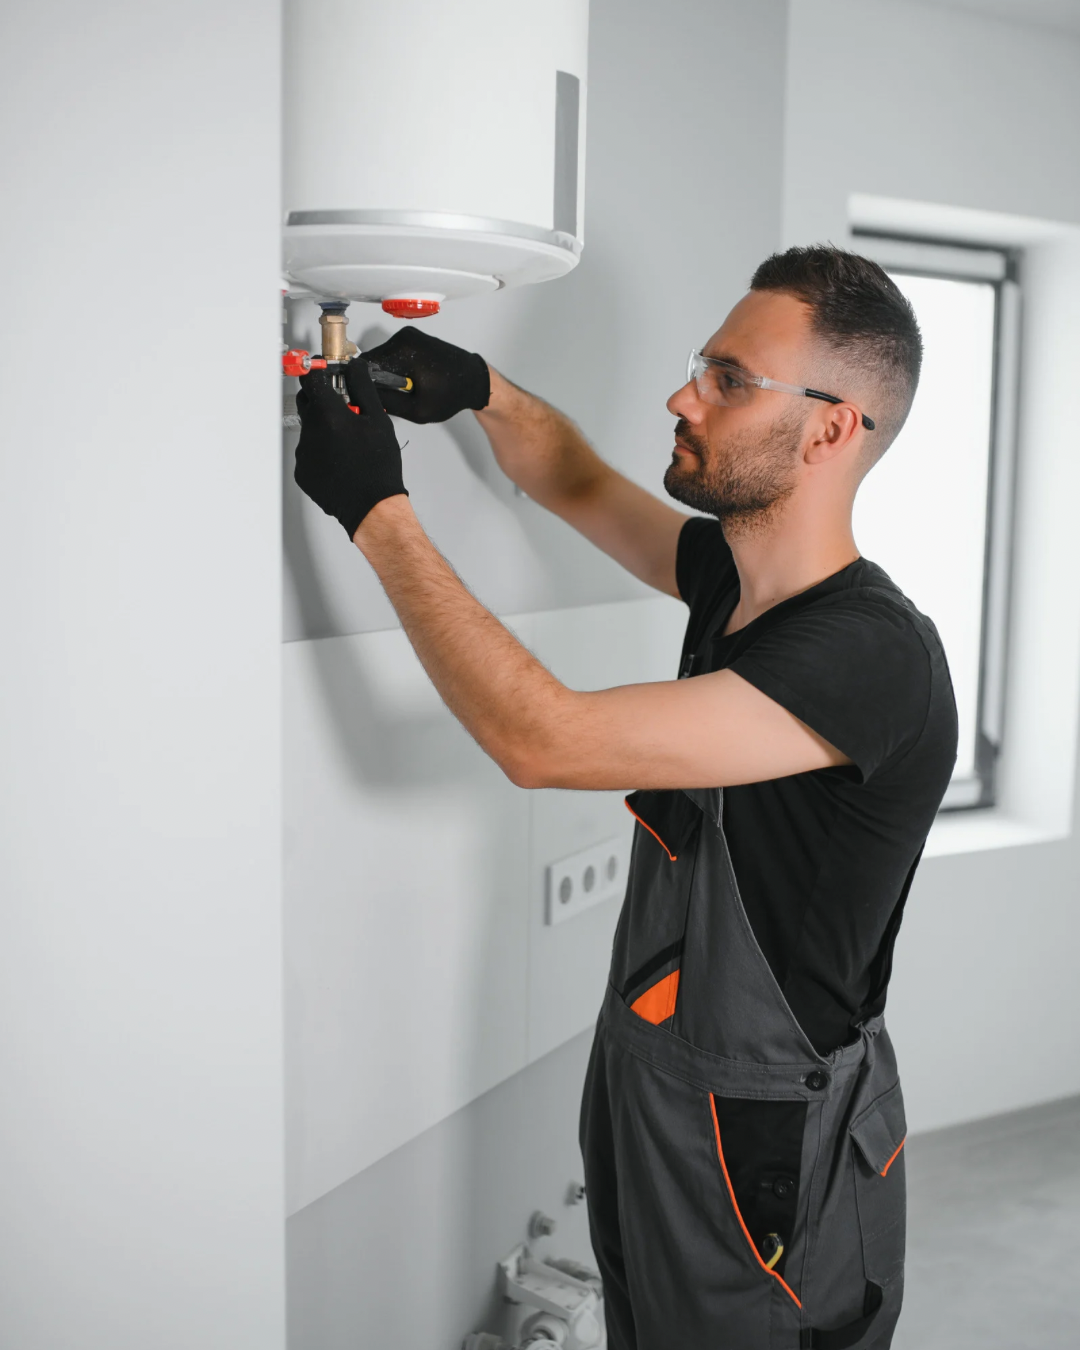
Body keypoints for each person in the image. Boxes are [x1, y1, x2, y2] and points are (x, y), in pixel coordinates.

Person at [292, 245, 958, 1350]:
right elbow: (581, 484)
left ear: (833, 428)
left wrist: (377, 512)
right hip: (663, 1097)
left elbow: (540, 737)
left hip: (766, 1156)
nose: (681, 395)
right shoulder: (736, 584)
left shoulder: (871, 657)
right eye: (703, 364)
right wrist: (481, 390)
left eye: (730, 379)